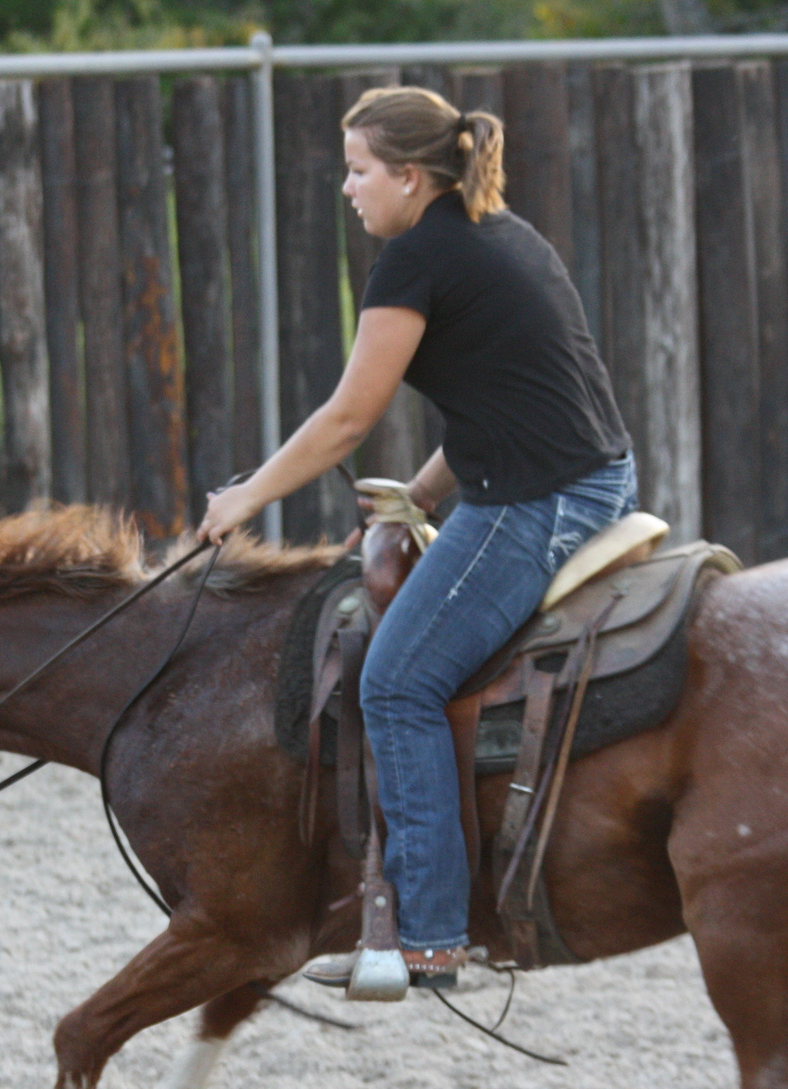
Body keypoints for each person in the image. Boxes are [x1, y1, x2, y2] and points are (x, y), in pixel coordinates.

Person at [196, 86, 637, 991]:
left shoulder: (415, 260)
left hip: (537, 501)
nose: (348, 189)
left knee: (397, 681)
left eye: (358, 171)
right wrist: (421, 493)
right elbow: (507, 395)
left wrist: (246, 498)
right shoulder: (497, 229)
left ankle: (430, 937)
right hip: (587, 477)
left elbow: (347, 419)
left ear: (407, 176)